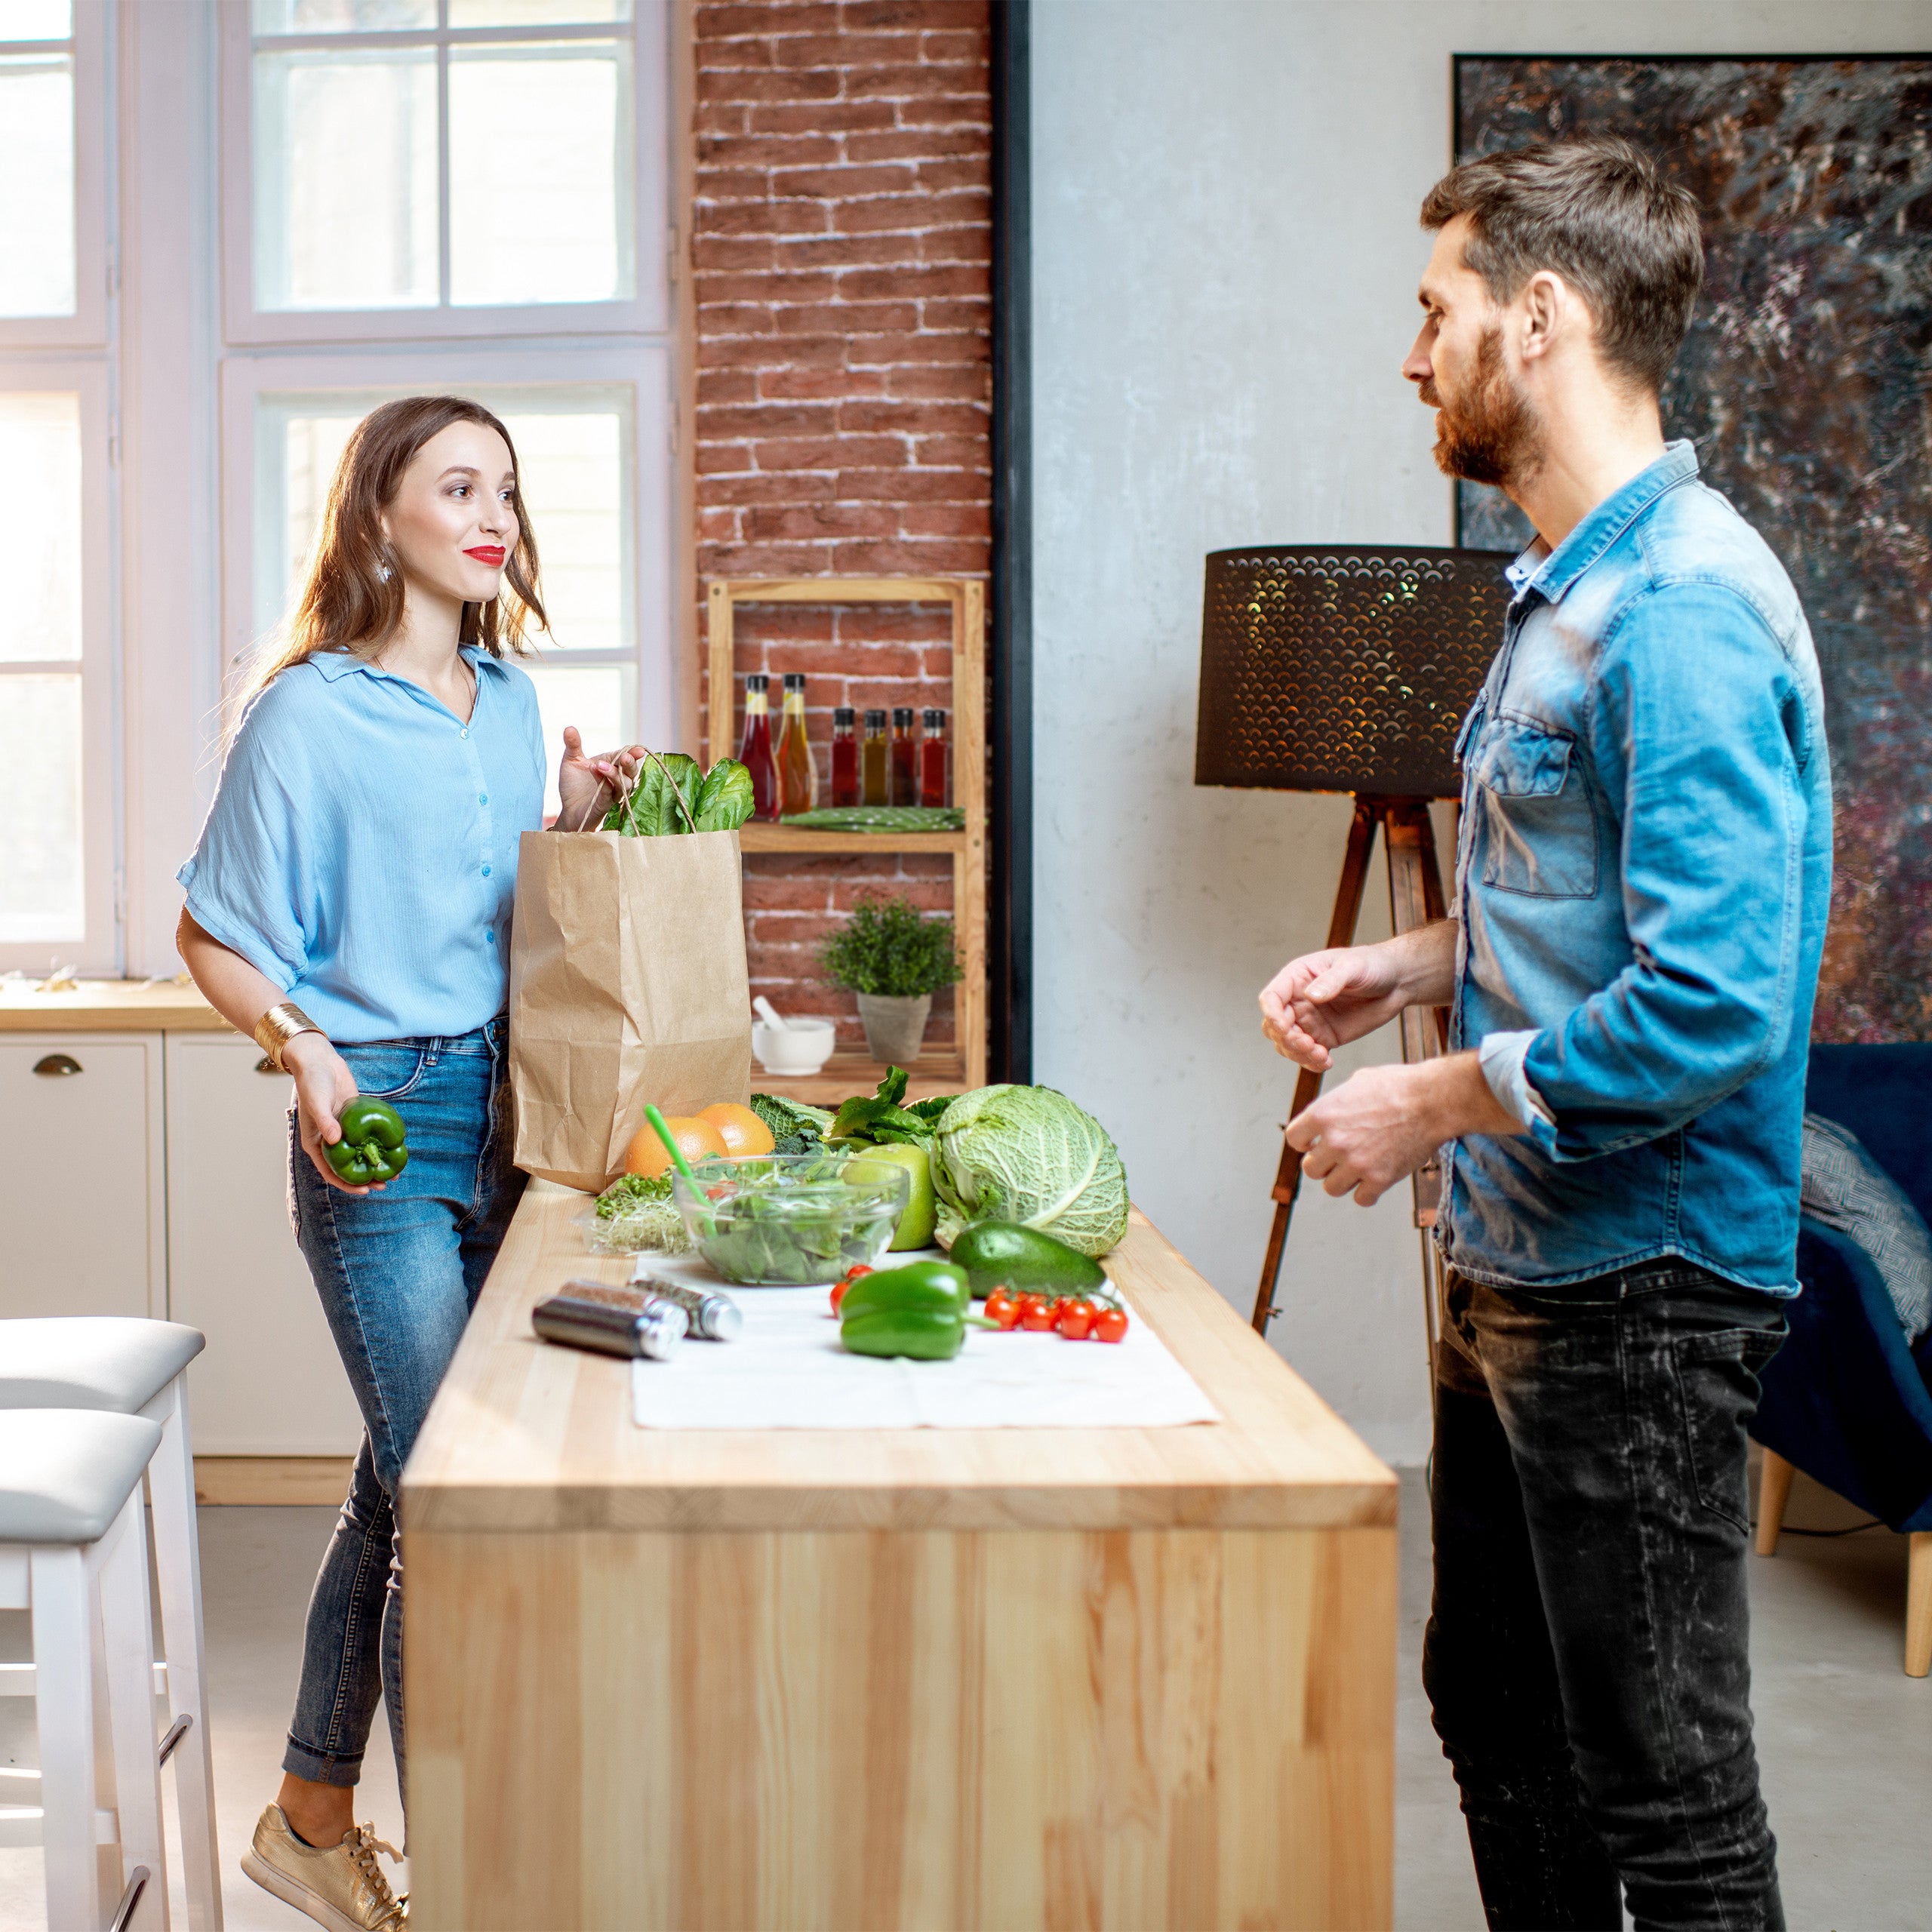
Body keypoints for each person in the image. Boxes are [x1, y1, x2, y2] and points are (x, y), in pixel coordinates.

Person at [1258, 138, 1829, 1930]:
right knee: (1496, 1710)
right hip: (1525, 1263)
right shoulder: (1566, 587)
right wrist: (1412, 966)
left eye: (1434, 310)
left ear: (1542, 315)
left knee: (1664, 1792)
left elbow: (1714, 1004)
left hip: (1637, 1283)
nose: (1411, 351)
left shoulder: (1678, 611)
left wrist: (1425, 1099)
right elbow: (1587, 900)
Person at [177, 395, 644, 1931]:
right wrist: (296, 1045)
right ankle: (478, 1863)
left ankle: (314, 1817)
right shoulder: (305, 711)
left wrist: (570, 814)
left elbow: (491, 906)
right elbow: (215, 932)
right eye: (458, 483)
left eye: (505, 484)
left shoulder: (507, 698)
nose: (494, 509)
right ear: (379, 513)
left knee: (407, 1478)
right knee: (453, 1489)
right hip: (374, 1115)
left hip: (509, 1109)